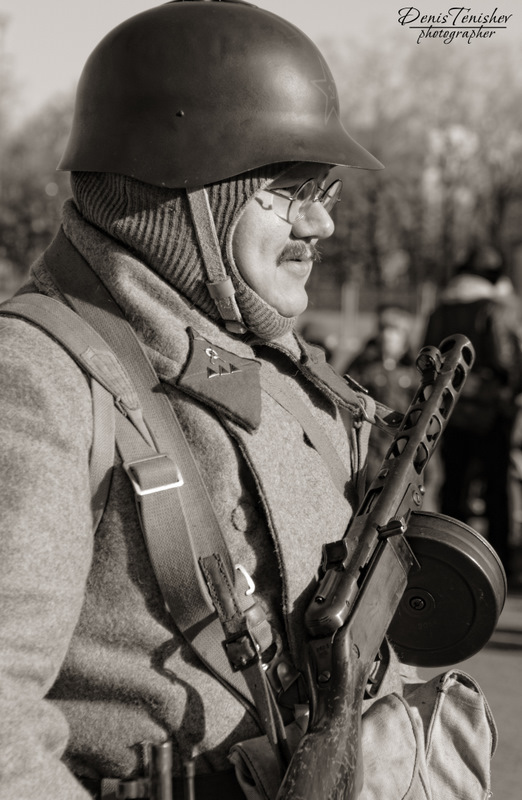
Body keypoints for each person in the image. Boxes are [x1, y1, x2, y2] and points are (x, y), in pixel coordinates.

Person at [0, 3, 497, 799]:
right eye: (290, 192)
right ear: (183, 191)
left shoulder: (288, 371)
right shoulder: (38, 378)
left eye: (324, 190)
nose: (322, 222)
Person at [424, 244, 522, 578]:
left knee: (454, 485)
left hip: (449, 408)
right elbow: (508, 360)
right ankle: (499, 566)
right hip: (492, 412)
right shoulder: (497, 308)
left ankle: (451, 562)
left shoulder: (441, 308)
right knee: (497, 487)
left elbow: (427, 355)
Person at [344, 304, 417, 482]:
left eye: (396, 331)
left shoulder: (413, 371)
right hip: (369, 447)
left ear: (405, 336)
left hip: (402, 447)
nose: (389, 336)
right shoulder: (363, 366)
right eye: (385, 329)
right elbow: (346, 400)